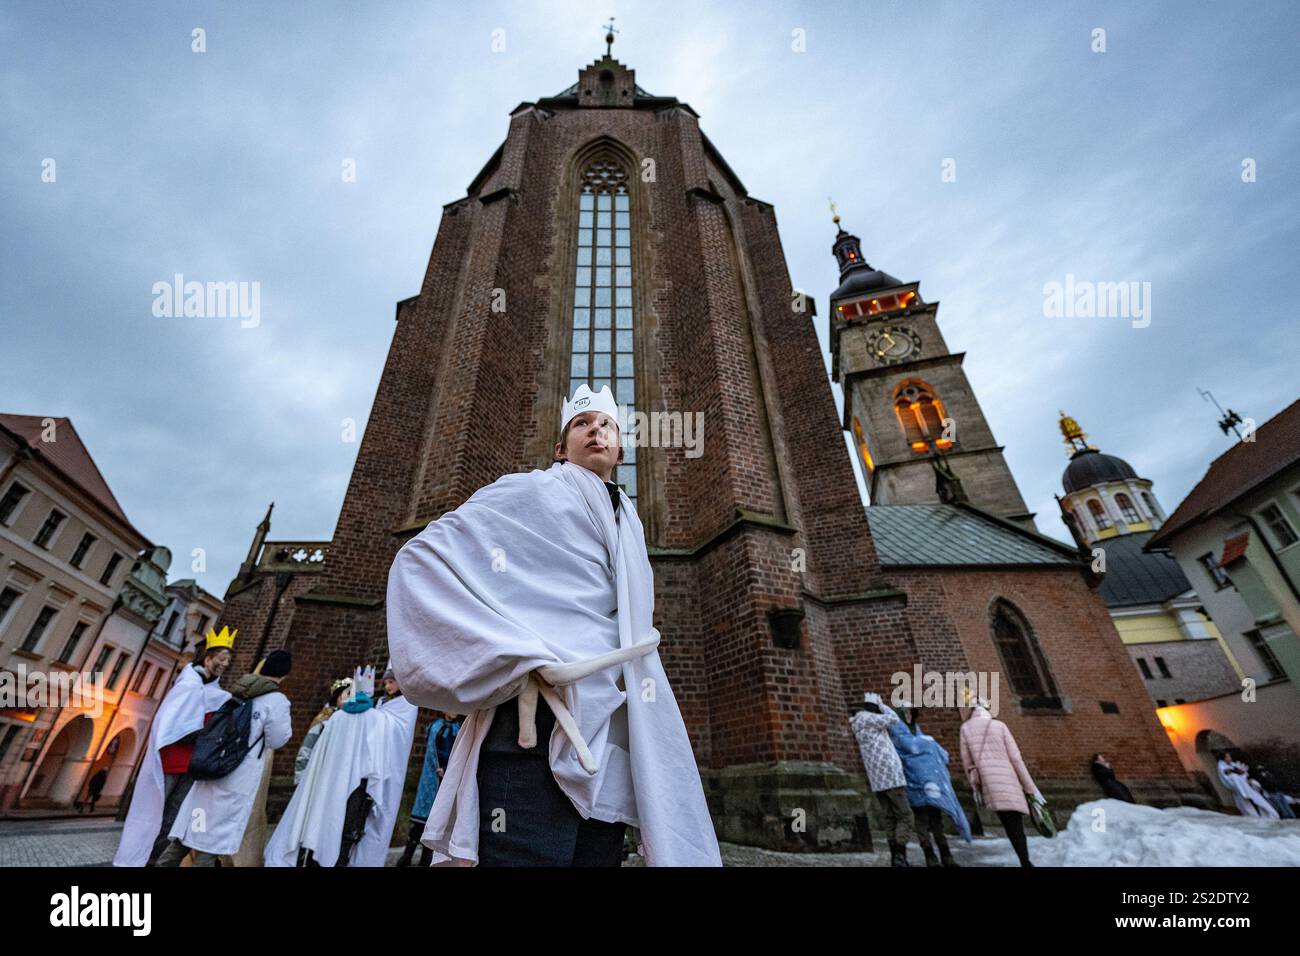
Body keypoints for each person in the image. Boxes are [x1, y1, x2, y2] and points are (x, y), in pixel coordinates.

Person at [386, 384, 721, 867]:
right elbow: (419, 561)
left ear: (621, 448)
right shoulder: (528, 492)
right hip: (531, 732)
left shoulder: (630, 521)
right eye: (582, 425)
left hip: (609, 733)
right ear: (561, 449)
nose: (596, 431)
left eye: (606, 424)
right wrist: (511, 657)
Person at [265, 664, 419, 867]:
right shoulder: (377, 718)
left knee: (327, 825)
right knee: (347, 832)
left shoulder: (338, 718)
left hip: (331, 782)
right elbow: (375, 760)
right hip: (359, 784)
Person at [156, 649, 293, 867]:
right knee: (212, 842)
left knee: (191, 831)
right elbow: (277, 739)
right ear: (284, 675)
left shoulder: (240, 689)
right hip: (235, 780)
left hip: (211, 772)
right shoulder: (277, 701)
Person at [112, 627, 234, 867]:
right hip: (170, 761)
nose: (224, 664)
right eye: (221, 658)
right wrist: (198, 732)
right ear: (208, 657)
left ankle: (156, 860)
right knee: (154, 810)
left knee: (174, 817)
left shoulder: (217, 694)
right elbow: (170, 724)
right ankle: (138, 857)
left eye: (228, 661)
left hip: (192, 765)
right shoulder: (187, 686)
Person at [959, 698, 1044, 868]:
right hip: (1009, 779)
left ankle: (1024, 860)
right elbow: (1016, 759)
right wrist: (1030, 788)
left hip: (989, 783)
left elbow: (967, 763)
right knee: (1016, 824)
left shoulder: (965, 728)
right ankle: (1025, 861)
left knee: (1008, 823)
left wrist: (975, 788)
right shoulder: (1000, 726)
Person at [888, 701, 970, 867]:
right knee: (921, 821)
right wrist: (927, 745)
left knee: (936, 820)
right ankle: (929, 855)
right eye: (907, 713)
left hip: (932, 785)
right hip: (913, 784)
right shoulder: (898, 733)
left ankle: (946, 854)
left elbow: (936, 754)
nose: (910, 716)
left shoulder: (917, 731)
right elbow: (908, 749)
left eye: (912, 713)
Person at [850, 691, 915, 867]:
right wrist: (882, 705)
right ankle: (900, 855)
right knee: (905, 816)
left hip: (876, 779)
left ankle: (895, 855)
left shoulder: (857, 723)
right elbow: (894, 719)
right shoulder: (872, 720)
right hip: (891, 775)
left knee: (889, 817)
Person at [399, 711, 462, 867]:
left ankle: (426, 859)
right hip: (432, 777)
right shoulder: (435, 726)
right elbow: (432, 750)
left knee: (436, 821)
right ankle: (406, 857)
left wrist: (448, 769)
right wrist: (438, 767)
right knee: (420, 822)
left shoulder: (459, 728)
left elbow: (458, 753)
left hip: (448, 779)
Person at [294, 676, 353, 786]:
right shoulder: (323, 721)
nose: (347, 700)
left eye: (350, 695)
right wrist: (300, 780)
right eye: (343, 696)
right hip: (320, 775)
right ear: (336, 700)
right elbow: (307, 748)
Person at [1216, 751, 1279, 819]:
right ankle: (1257, 817)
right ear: (1223, 758)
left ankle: (1271, 815)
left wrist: (1241, 772)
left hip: (1244, 785)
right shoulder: (1221, 765)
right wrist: (1237, 770)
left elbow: (1241, 771)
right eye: (1228, 757)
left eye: (1229, 756)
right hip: (1239, 787)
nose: (1230, 758)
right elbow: (1227, 771)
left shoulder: (1231, 763)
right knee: (1246, 804)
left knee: (1256, 799)